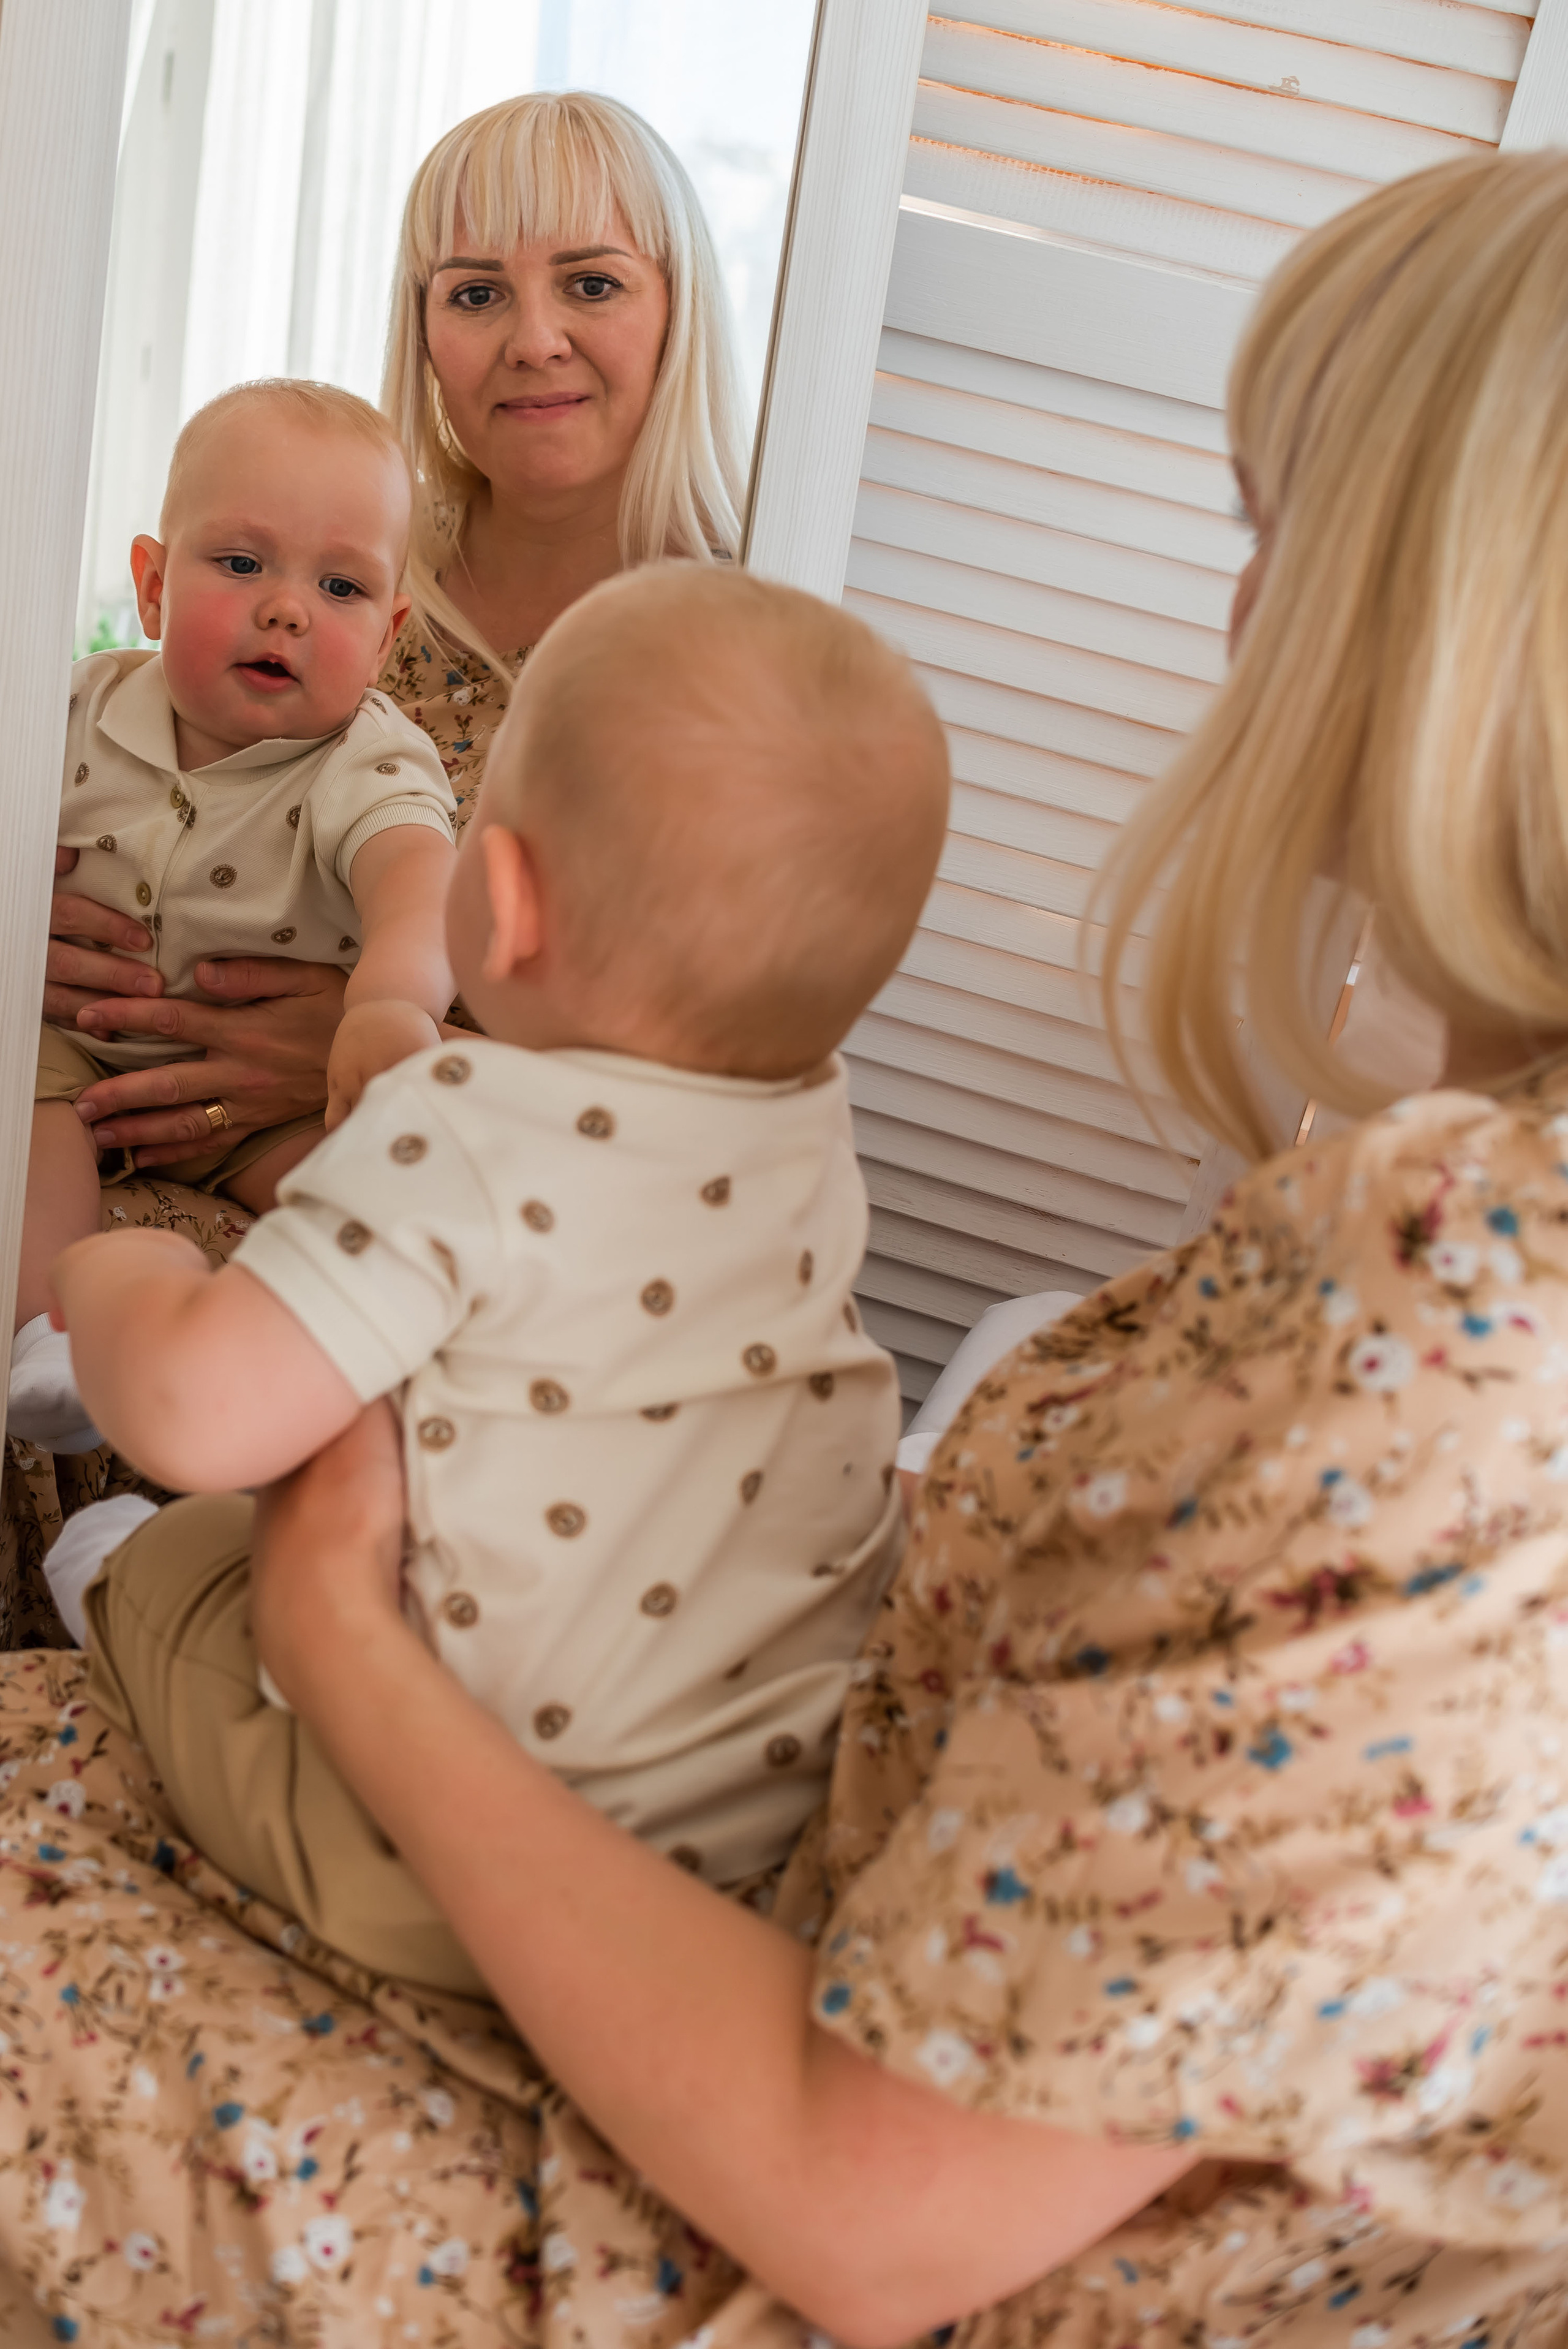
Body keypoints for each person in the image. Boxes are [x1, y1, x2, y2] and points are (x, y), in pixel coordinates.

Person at [7, 140, 1568, 2349]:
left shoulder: (1471, 1306)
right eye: (471, 287)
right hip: (718, 1787)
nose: (1237, 617)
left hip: (672, 2052)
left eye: (1275, 527)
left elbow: (880, 2202)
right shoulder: (1397, 1205)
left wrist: (334, 1613)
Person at [43, 567, 946, 1992]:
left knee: (178, 1551)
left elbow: (193, 1411)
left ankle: (100, 1591)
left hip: (432, 1856)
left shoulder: (462, 1125)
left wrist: (120, 1273)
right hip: (722, 1850)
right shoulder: (805, 1139)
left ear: (502, 902)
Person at [2, 91, 749, 1629]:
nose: (530, 336)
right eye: (475, 293)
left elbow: (707, 1079)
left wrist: (342, 1050)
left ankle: (187, 1648)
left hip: (442, 1204)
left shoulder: (736, 658)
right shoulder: (324, 578)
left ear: (676, 307)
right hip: (116, 1142)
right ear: (424, 333)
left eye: (590, 282)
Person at [9, 380, 457, 1457]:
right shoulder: (75, 708)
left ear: (390, 634)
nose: (288, 608)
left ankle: (347, 1404)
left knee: (368, 1201)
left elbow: (418, 880)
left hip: (266, 1111)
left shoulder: (365, 760)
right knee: (31, 1124)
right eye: (243, 563)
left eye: (340, 584)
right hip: (74, 1059)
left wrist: (390, 1004)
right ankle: (48, 1338)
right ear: (153, 586)